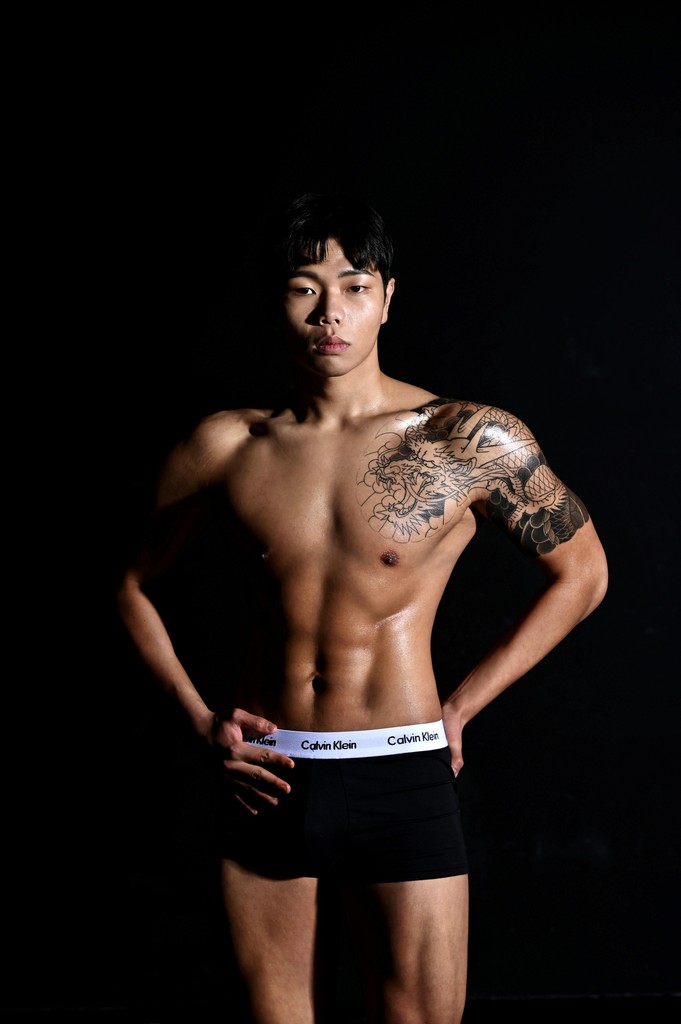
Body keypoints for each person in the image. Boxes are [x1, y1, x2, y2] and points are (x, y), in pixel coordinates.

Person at [114, 191, 608, 1024]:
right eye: (303, 288)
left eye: (353, 286)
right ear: (276, 302)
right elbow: (130, 583)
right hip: (267, 777)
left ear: (386, 298)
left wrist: (462, 706)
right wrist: (200, 721)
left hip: (401, 769)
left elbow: (582, 575)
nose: (329, 313)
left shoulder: (461, 438)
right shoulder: (226, 446)